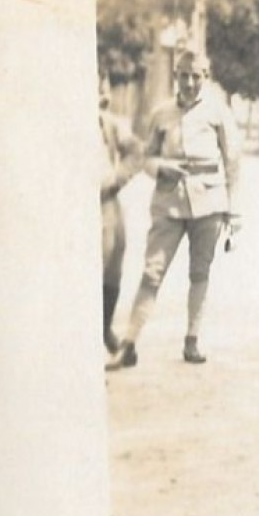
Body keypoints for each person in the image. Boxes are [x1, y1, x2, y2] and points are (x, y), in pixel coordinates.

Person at [107, 48, 239, 369]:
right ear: (175, 76)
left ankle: (193, 340)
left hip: (209, 203)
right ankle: (129, 344)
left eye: (197, 76)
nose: (190, 82)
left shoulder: (219, 113)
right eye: (184, 76)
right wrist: (160, 167)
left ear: (206, 77)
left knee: (200, 273)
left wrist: (234, 213)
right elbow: (144, 157)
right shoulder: (161, 114)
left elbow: (233, 163)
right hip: (169, 202)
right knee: (152, 273)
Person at [99, 74, 141, 354]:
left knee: (113, 267)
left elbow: (135, 151)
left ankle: (103, 328)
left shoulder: (107, 123)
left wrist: (117, 178)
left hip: (106, 202)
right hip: (75, 208)